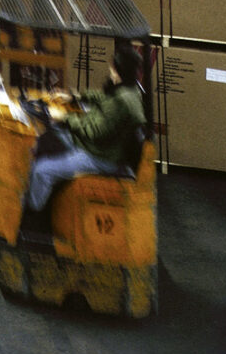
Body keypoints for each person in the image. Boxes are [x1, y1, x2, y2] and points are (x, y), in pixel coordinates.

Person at [23, 47, 147, 225]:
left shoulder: (122, 101)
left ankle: (33, 217)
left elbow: (94, 131)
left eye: (112, 68)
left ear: (119, 69)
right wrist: (74, 97)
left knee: (42, 171)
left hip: (99, 156)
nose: (110, 71)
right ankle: (45, 196)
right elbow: (103, 98)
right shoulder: (129, 89)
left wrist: (64, 117)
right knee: (45, 138)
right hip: (97, 147)